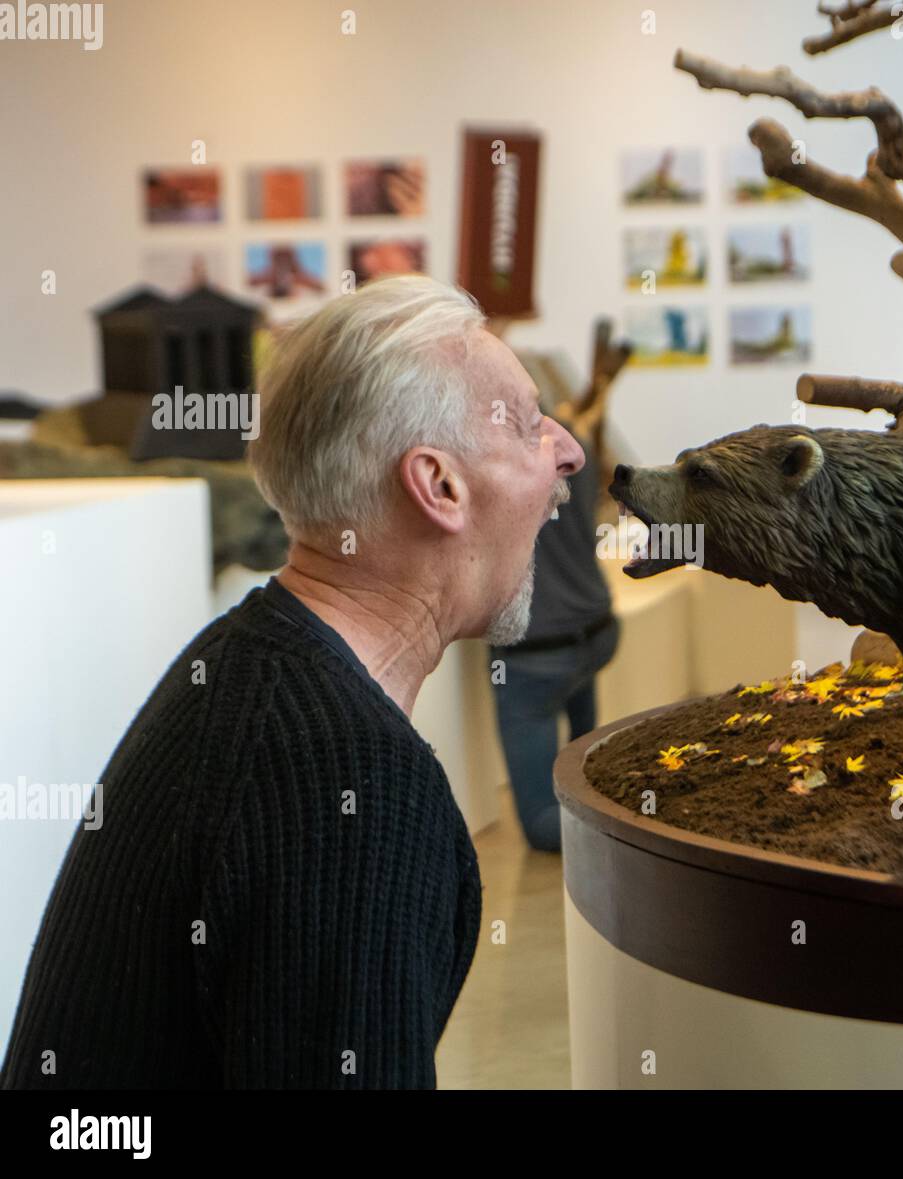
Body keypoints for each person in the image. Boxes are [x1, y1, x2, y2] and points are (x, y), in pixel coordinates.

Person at [0, 275, 584, 1090]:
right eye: (527, 424)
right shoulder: (351, 784)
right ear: (439, 486)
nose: (569, 448)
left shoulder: (245, 662)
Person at [486, 364, 620, 852]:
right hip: (596, 629)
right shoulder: (573, 453)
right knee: (588, 765)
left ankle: (625, 840)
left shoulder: (498, 467)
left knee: (543, 819)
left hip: (538, 652)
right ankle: (610, 805)